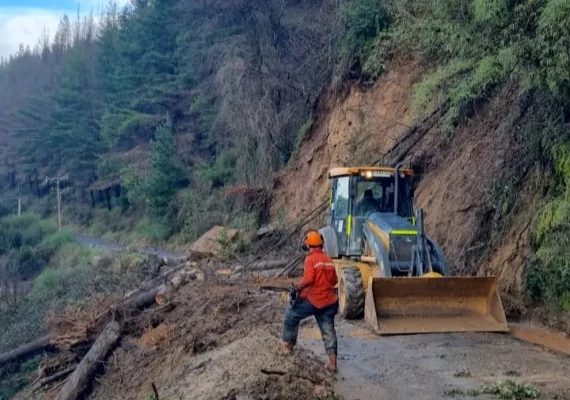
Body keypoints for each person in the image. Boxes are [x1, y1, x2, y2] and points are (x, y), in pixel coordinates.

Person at [280, 231, 339, 374]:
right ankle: (332, 364)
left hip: (315, 300)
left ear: (308, 246)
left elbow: (309, 279)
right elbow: (335, 281)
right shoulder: (328, 259)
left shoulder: (310, 259)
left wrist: (297, 287)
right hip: (330, 301)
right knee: (328, 330)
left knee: (291, 314)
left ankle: (287, 344)